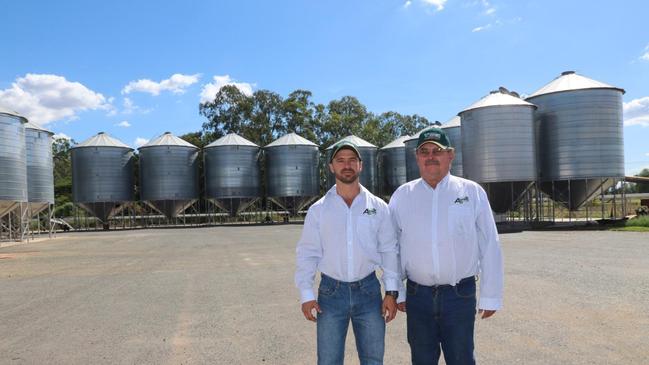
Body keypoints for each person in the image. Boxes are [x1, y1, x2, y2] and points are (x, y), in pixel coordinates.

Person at [389, 127, 504, 365]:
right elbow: (393, 248)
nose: (431, 156)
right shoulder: (402, 196)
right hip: (417, 296)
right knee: (422, 359)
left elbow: (489, 244)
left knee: (461, 358)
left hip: (459, 296)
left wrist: (491, 295)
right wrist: (395, 290)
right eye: (424, 152)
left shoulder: (471, 192)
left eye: (437, 151)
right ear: (417, 157)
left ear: (450, 155)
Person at [295, 141, 401, 365]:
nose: (347, 165)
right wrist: (306, 294)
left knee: (373, 360)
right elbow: (308, 253)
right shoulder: (318, 210)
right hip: (331, 294)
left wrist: (391, 293)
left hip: (369, 292)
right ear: (331, 167)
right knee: (329, 361)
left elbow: (389, 251)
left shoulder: (379, 207)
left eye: (352, 160)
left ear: (361, 165)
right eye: (340, 160)